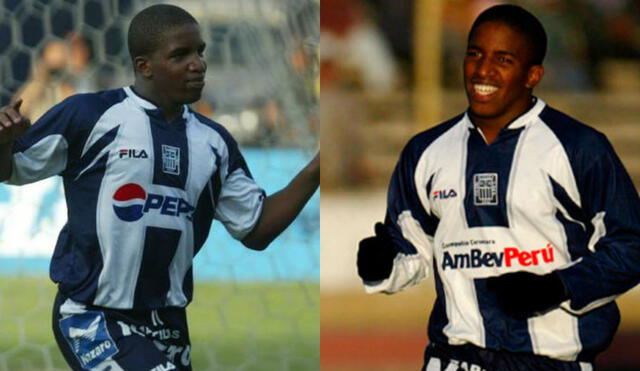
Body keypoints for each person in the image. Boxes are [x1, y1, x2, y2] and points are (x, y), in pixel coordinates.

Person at [0, 4, 319, 371]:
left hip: (168, 325)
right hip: (92, 316)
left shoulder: (214, 143)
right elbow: (13, 170)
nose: (197, 64)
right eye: (180, 55)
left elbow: (257, 229)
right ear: (144, 65)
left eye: (199, 52)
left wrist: (315, 170)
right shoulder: (90, 116)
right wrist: (3, 143)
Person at [357, 4, 640, 371]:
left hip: (551, 362)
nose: (483, 70)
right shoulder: (425, 152)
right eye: (475, 54)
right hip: (455, 360)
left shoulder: (579, 148)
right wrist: (381, 264)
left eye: (503, 59)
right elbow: (408, 248)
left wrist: (560, 286)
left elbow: (631, 245)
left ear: (532, 74)